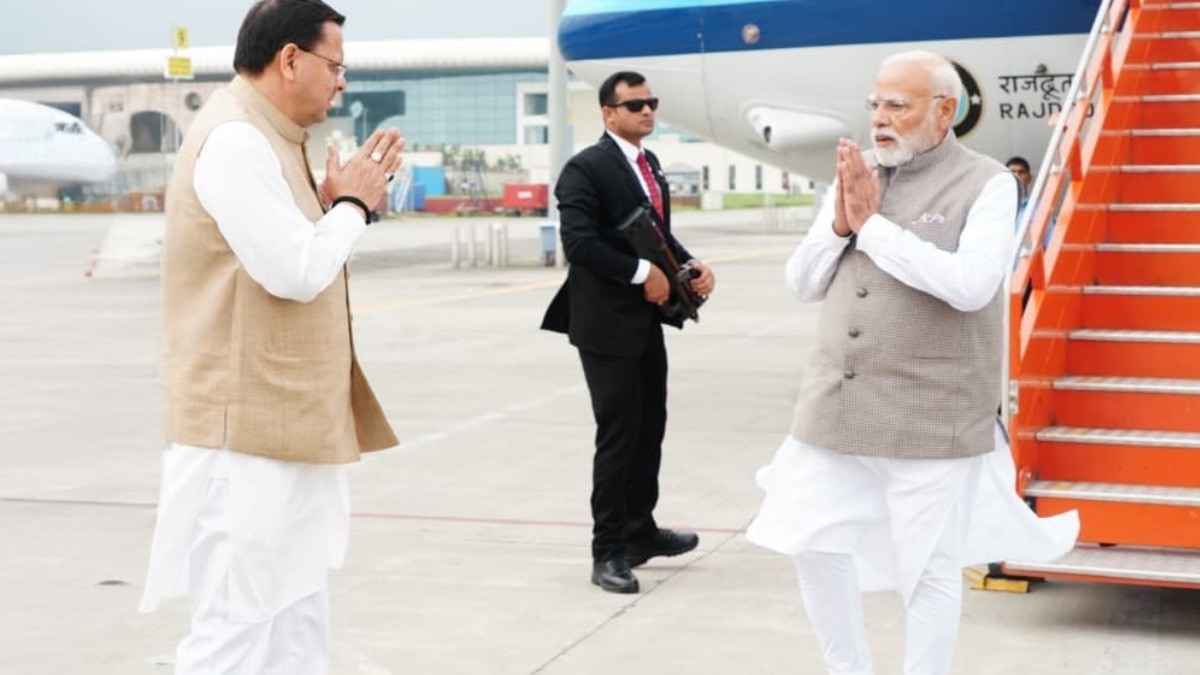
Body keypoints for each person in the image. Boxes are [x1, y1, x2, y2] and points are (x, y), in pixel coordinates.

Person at [745, 51, 1078, 675]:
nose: (879, 118)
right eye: (875, 104)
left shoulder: (988, 183)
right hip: (836, 404)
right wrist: (840, 225)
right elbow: (802, 283)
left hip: (931, 414)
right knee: (810, 541)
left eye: (897, 105)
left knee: (927, 568)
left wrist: (873, 230)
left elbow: (971, 285)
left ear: (944, 111)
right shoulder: (856, 177)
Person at [138, 1, 403, 671]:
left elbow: (295, 250)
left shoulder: (272, 137)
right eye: (335, 65)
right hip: (244, 442)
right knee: (236, 630)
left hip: (284, 427)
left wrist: (338, 204)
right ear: (290, 59)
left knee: (296, 622)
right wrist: (353, 205)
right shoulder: (236, 139)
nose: (341, 82)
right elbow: (295, 271)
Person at [541, 71, 716, 594]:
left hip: (646, 321)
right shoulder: (585, 168)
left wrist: (689, 265)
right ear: (608, 113)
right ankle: (608, 552)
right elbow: (579, 244)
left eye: (651, 102)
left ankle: (640, 531)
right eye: (635, 104)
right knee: (619, 436)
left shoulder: (649, 164)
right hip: (605, 324)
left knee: (649, 428)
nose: (646, 111)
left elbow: (657, 235)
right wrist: (643, 274)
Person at [1006, 155, 1033, 224]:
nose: (1017, 175)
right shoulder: (995, 207)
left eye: (1021, 172)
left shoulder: (1039, 208)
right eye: (1012, 172)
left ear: (1029, 178)